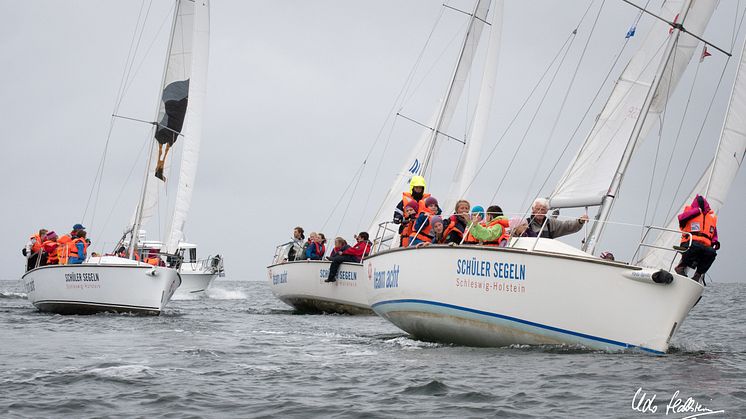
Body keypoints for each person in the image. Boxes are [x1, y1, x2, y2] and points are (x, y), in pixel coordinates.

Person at [674, 194, 719, 283]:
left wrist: (715, 241)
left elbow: (713, 233)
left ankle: (697, 275)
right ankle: (680, 267)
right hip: (689, 242)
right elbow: (681, 218)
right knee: (696, 246)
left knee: (712, 253)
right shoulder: (689, 213)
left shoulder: (711, 218)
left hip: (704, 245)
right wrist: (697, 211)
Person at [518, 198, 588, 239]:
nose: (540, 212)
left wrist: (580, 221)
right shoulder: (525, 223)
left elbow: (567, 226)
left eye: (543, 210)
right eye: (538, 209)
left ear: (546, 211)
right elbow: (514, 233)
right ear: (533, 209)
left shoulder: (551, 223)